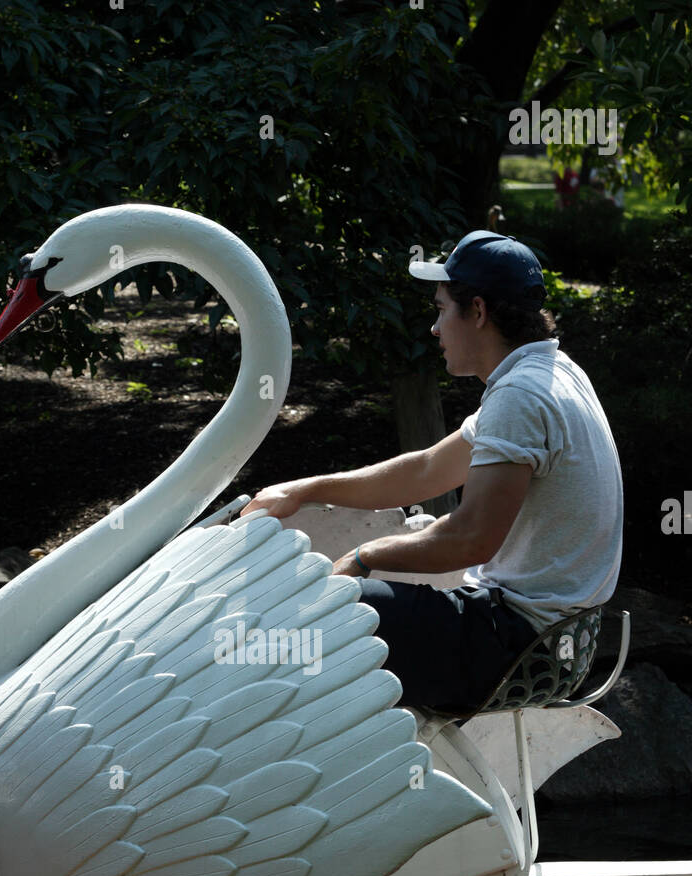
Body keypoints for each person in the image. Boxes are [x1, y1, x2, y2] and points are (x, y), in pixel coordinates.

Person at [241, 230, 623, 713]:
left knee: (321, 615)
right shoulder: (552, 372)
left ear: (479, 312)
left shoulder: (521, 397)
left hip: (517, 646)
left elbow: (470, 540)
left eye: (441, 309)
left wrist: (363, 554)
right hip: (559, 642)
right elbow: (427, 470)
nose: (434, 329)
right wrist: (303, 489)